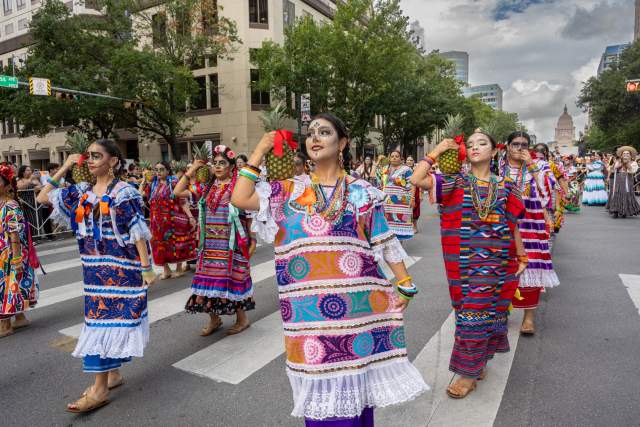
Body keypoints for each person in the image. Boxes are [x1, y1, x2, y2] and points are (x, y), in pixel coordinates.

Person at [231, 113, 428, 426]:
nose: (315, 138)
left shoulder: (362, 191)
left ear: (343, 143)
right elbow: (240, 197)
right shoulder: (287, 190)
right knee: (323, 395)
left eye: (324, 132)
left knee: (357, 394)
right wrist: (258, 153)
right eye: (311, 133)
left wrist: (404, 281)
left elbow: (382, 237)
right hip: (308, 315)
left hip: (358, 309)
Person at [36, 139, 155, 413]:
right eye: (87, 156)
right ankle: (112, 375)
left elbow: (137, 232)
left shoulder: (125, 192)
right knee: (100, 322)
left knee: (105, 323)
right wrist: (66, 165)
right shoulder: (81, 192)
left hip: (122, 271)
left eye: (96, 156)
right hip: (93, 273)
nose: (90, 161)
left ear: (113, 161)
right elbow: (43, 197)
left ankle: (100, 388)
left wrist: (147, 268)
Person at [411, 130, 527, 399]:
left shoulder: (507, 186)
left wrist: (522, 255)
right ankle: (474, 366)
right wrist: (436, 152)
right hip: (463, 265)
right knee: (470, 316)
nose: (475, 147)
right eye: (471, 144)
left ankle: (469, 372)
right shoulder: (454, 182)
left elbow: (514, 225)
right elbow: (416, 179)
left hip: (498, 263)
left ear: (495, 151)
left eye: (482, 143)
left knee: (486, 315)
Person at [173, 145, 256, 336]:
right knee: (206, 283)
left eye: (222, 163)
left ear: (231, 166)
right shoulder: (205, 187)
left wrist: (250, 238)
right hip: (209, 245)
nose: (218, 167)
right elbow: (178, 192)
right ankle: (214, 319)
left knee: (233, 281)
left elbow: (249, 214)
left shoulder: (237, 187)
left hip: (231, 244)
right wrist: (193, 168)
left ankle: (242, 319)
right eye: (215, 164)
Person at [500, 132, 559, 334]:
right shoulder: (498, 167)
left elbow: (545, 197)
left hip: (531, 226)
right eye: (515, 143)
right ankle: (503, 313)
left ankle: (528, 318)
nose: (519, 147)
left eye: (524, 144)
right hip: (503, 227)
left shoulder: (540, 166)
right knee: (503, 270)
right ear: (508, 146)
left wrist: (532, 167)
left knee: (531, 268)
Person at [0, 164, 39, 338]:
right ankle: (20, 317)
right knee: (11, 286)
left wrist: (16, 259)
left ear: (8, 185)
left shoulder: (10, 205)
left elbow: (14, 232)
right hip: (3, 253)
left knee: (7, 288)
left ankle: (5, 324)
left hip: (10, 254)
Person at [141, 161, 196, 279]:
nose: (158, 172)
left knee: (176, 243)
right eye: (156, 170)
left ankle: (179, 268)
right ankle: (166, 270)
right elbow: (142, 195)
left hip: (174, 219)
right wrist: (144, 180)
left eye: (161, 169)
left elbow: (182, 200)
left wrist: (190, 216)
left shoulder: (175, 183)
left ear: (167, 171)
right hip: (157, 222)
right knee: (159, 245)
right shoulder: (153, 184)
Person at [381, 150, 415, 240]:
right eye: (392, 156)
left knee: (400, 225)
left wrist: (412, 198)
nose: (394, 158)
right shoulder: (385, 169)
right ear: (389, 158)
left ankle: (400, 249)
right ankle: (391, 249)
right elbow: (375, 179)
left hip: (402, 203)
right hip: (387, 202)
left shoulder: (406, 169)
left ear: (401, 158)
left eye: (397, 156)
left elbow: (413, 184)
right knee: (387, 227)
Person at [607, 146, 640, 218]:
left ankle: (624, 211)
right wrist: (620, 163)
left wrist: (627, 163)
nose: (626, 154)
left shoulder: (633, 163)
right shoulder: (618, 162)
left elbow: (632, 171)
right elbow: (612, 169)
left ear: (630, 155)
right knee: (617, 194)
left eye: (627, 153)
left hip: (627, 180)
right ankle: (615, 211)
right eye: (624, 153)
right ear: (621, 155)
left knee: (626, 194)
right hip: (618, 180)